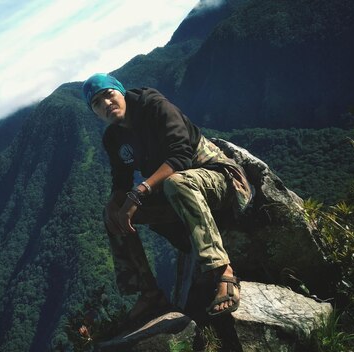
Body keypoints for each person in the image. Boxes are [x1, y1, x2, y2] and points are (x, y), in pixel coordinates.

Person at [81, 73, 253, 322]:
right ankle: (149, 293)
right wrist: (115, 203)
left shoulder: (153, 105)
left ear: (120, 91)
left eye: (108, 95)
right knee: (113, 214)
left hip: (219, 179)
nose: (106, 104)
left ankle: (222, 271)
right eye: (97, 103)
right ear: (95, 112)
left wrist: (138, 193)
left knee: (176, 183)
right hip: (177, 193)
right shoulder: (113, 138)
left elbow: (181, 156)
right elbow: (121, 181)